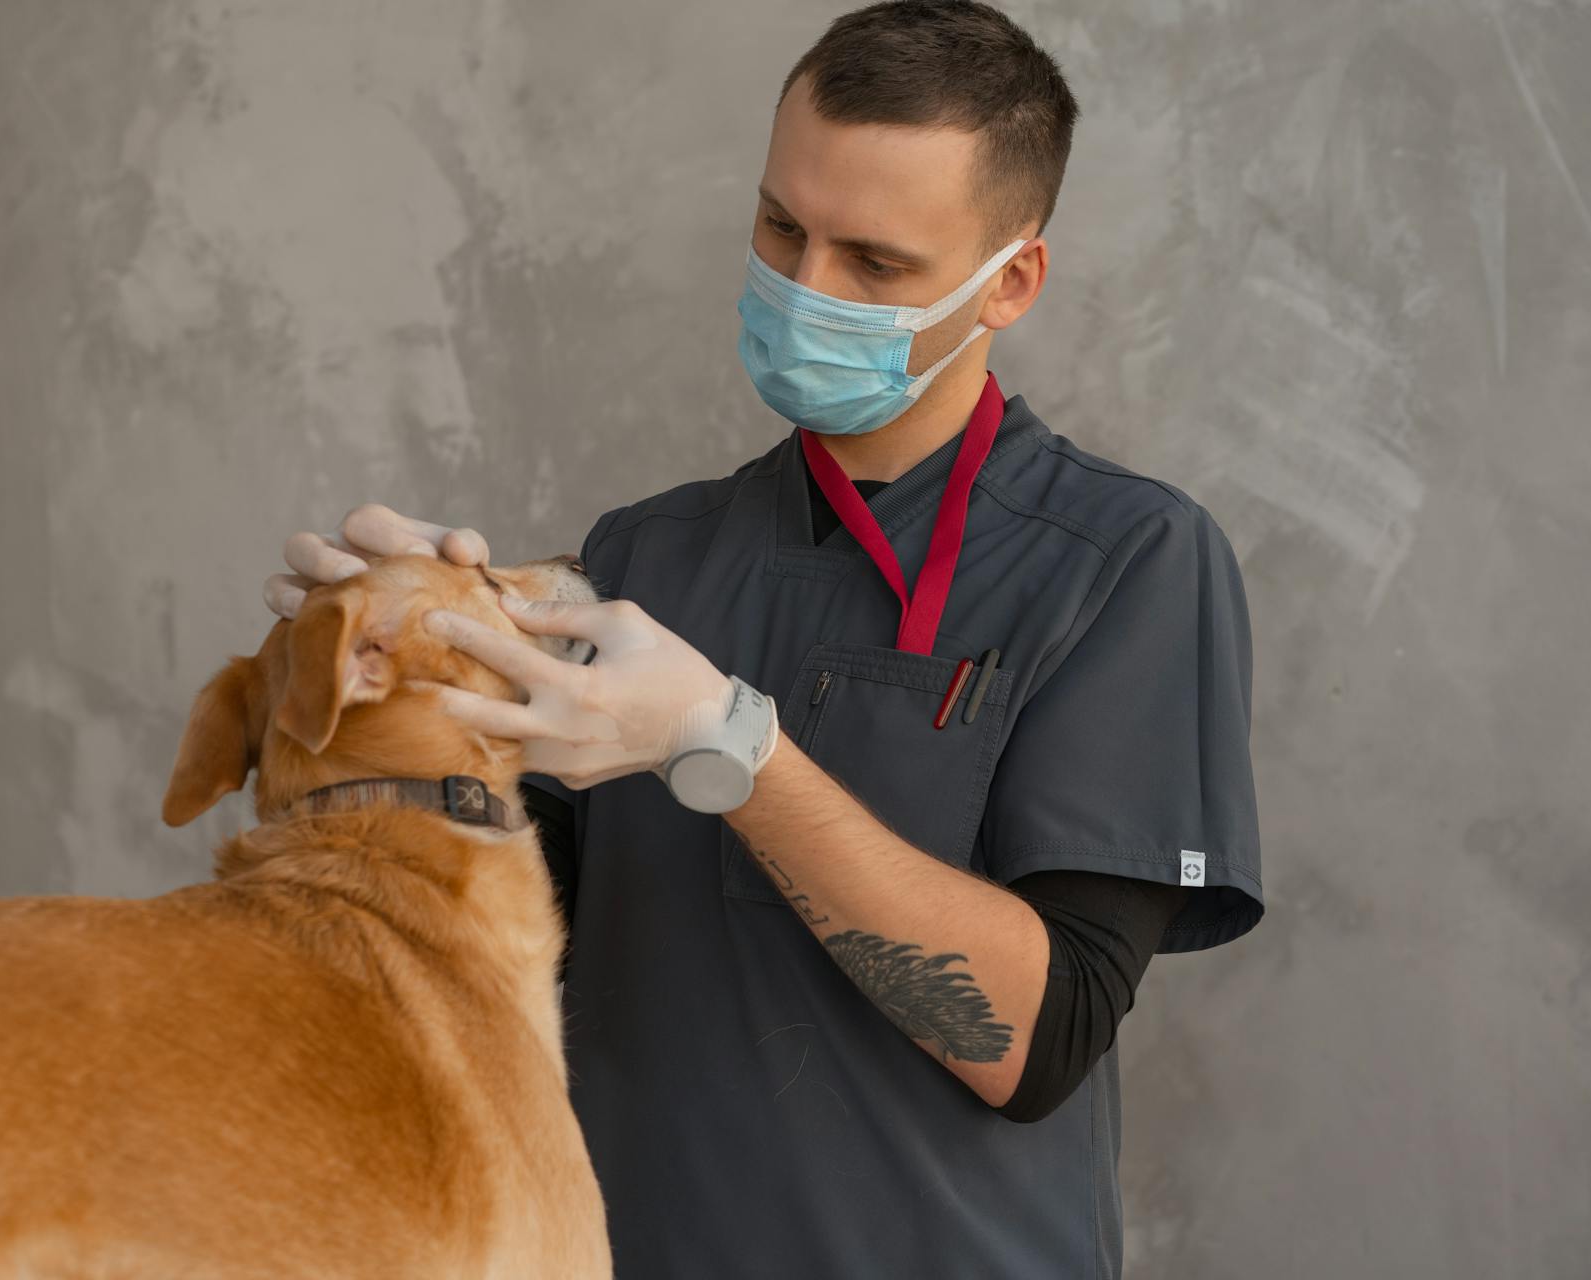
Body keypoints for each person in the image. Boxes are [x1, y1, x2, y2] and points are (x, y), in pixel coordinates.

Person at [263, 3, 1262, 1276]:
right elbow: (486, 972)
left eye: (876, 263)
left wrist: (724, 743)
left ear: (1010, 279)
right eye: (782, 226)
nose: (805, 288)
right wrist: (394, 674)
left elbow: (1036, 1037)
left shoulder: (1125, 563)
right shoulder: (644, 560)